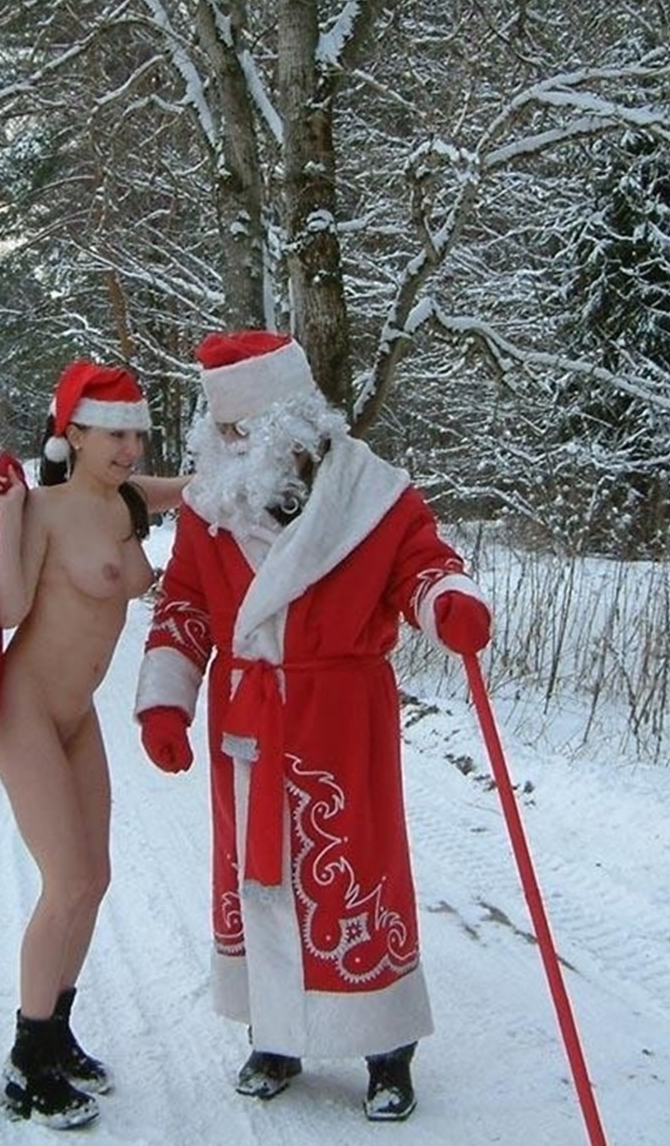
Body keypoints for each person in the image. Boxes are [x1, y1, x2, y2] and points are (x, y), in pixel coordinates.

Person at [132, 330, 493, 1123]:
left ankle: (387, 1046)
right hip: (248, 720)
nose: (230, 443)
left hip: (340, 718)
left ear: (288, 422)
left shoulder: (375, 496)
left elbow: (423, 565)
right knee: (256, 874)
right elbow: (184, 604)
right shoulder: (209, 507)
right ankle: (276, 1035)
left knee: (357, 867)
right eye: (221, 430)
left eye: (242, 429)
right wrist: (166, 699)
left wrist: (447, 604)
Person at [0, 360, 187, 1130]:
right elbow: (7, 610)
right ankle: (24, 1064)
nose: (130, 449)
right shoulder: (43, 508)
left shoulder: (127, 501)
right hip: (25, 709)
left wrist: (261, 446)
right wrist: (9, 519)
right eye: (113, 435)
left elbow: (195, 488)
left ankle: (56, 1034)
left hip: (78, 712)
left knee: (94, 879)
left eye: (136, 435)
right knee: (65, 881)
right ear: (72, 434)